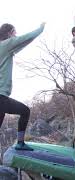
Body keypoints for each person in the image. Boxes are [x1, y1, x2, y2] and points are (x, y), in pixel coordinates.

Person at [0, 22, 46, 151]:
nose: (16, 35)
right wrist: (40, 29)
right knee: (25, 111)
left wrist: (32, 38)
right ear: (9, 33)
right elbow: (23, 39)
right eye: (14, 32)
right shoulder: (5, 44)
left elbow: (22, 43)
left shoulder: (4, 48)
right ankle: (20, 143)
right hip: (1, 97)